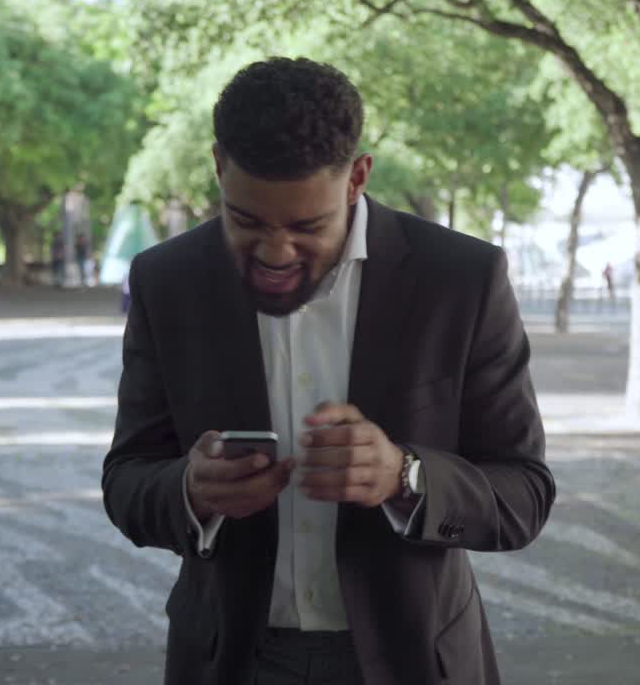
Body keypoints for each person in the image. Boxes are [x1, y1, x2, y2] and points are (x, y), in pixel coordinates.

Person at [102, 58, 553, 685]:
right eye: (247, 221)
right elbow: (126, 481)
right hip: (231, 660)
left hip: (415, 660)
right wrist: (190, 490)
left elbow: (525, 495)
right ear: (217, 167)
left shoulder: (461, 280)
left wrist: (405, 475)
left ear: (357, 178)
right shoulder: (166, 280)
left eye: (307, 226)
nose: (275, 252)